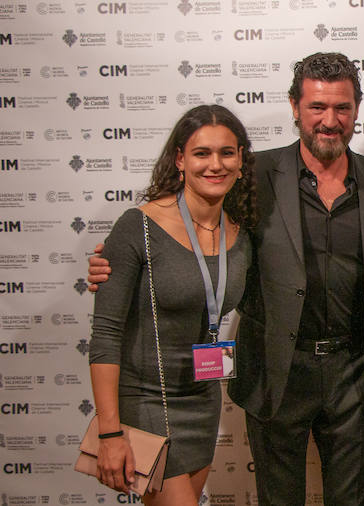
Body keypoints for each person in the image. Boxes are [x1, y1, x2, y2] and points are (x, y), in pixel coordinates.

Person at [89, 52, 364, 505]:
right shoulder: (250, 173)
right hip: (276, 371)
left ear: (357, 109)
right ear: (295, 107)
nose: (330, 120)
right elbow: (188, 227)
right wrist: (113, 263)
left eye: (342, 108)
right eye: (317, 107)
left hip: (356, 371)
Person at [89, 104, 255, 504]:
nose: (215, 164)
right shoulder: (138, 227)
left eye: (226, 153)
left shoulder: (241, 232)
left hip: (203, 400)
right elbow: (106, 335)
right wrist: (109, 434)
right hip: (148, 400)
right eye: (201, 153)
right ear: (180, 159)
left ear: (241, 162)